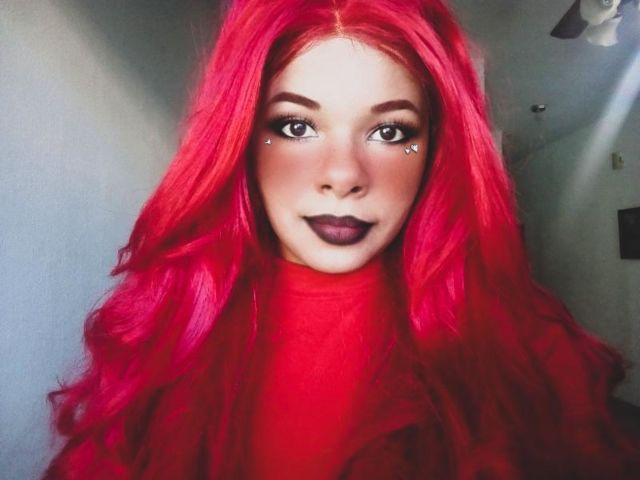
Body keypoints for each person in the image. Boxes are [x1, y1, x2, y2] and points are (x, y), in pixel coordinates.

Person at [43, 0, 640, 478]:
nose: (344, 175)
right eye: (296, 125)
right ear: (242, 140)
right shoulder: (164, 336)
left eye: (390, 131)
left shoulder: (526, 352)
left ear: (435, 151)